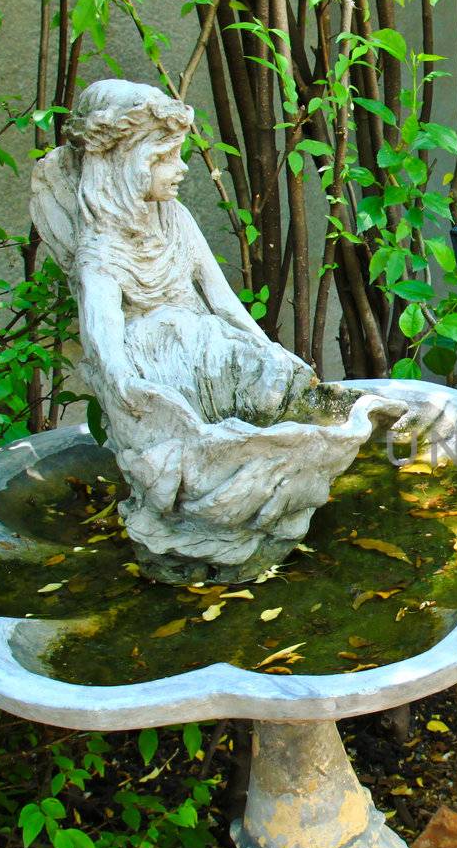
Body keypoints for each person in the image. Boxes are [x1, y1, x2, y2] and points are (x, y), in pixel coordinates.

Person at [31, 80, 408, 582]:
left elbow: (224, 301)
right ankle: (199, 528)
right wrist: (126, 387)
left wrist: (269, 349)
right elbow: (102, 338)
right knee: (198, 446)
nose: (181, 168)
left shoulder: (178, 219)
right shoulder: (100, 249)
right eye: (165, 157)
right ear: (127, 165)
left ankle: (269, 494)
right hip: (159, 374)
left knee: (276, 382)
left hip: (211, 353)